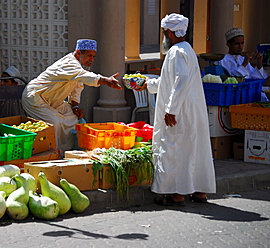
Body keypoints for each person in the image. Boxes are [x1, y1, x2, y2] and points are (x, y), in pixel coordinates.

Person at [137, 13, 216, 206]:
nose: (164, 36)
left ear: (170, 33)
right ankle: (199, 192)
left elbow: (181, 80)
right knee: (193, 150)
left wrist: (171, 109)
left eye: (164, 32)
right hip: (191, 111)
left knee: (173, 149)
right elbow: (168, 82)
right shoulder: (187, 50)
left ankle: (175, 194)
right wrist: (146, 84)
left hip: (179, 112)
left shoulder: (176, 52)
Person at [22, 39, 122, 153]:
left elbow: (77, 87)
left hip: (54, 101)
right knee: (55, 123)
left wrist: (75, 107)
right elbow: (83, 76)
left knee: (74, 119)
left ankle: (70, 152)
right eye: (89, 55)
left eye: (94, 56)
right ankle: (56, 154)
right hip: (35, 97)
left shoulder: (78, 67)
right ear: (78, 53)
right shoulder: (68, 63)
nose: (92, 60)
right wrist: (105, 80)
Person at [219, 27, 268, 101]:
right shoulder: (223, 60)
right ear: (229, 44)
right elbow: (232, 80)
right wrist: (244, 64)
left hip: (248, 93)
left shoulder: (242, 58)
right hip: (234, 96)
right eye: (237, 44)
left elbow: (254, 79)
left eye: (242, 43)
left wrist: (259, 63)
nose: (240, 47)